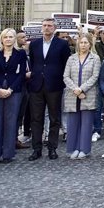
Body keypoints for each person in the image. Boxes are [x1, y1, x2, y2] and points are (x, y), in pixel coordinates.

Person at [28, 18, 72, 161]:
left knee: (54, 118)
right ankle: (36, 149)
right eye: (45, 26)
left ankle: (52, 148)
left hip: (54, 85)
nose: (47, 28)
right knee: (36, 118)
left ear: (55, 28)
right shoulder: (34, 44)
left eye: (49, 26)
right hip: (37, 85)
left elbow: (66, 63)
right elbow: (33, 63)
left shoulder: (62, 44)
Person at [0, 28, 27, 164]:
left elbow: (21, 74)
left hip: (14, 91)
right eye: (5, 37)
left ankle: (8, 154)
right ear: (2, 39)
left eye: (10, 37)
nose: (8, 39)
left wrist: (10, 89)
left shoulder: (20, 54)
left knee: (10, 122)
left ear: (15, 39)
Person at [62, 32, 101, 159]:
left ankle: (84, 149)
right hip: (72, 94)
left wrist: (82, 89)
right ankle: (73, 148)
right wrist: (75, 89)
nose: (83, 45)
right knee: (73, 123)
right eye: (81, 42)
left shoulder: (95, 58)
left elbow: (95, 76)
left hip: (87, 94)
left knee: (86, 123)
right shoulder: (71, 58)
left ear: (90, 44)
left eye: (86, 43)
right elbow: (66, 76)